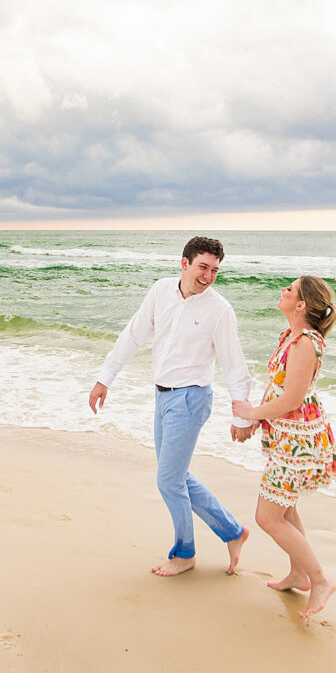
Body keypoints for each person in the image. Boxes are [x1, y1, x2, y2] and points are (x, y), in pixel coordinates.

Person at [88, 235, 251, 580]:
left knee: (168, 480)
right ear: (185, 263)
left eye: (215, 270)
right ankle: (233, 531)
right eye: (203, 267)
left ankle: (185, 553)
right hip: (161, 396)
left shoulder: (220, 310)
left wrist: (240, 415)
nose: (208, 276)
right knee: (175, 477)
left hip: (191, 399)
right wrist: (105, 378)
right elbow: (134, 334)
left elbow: (234, 365)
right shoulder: (161, 291)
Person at [230, 275, 336, 622]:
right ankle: (299, 574)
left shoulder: (306, 342)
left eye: (290, 290)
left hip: (299, 441)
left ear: (302, 305)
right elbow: (277, 388)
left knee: (268, 516)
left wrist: (251, 414)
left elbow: (292, 398)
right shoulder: (290, 337)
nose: (283, 290)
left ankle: (320, 579)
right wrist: (257, 421)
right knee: (286, 509)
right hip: (286, 436)